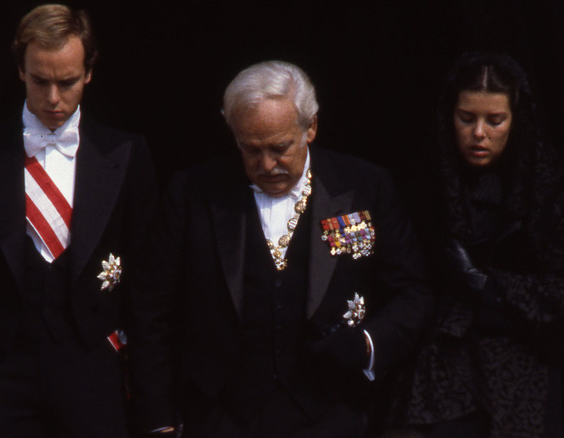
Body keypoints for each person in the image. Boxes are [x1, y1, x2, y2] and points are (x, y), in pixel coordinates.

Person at [0, 5, 173, 437]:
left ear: (89, 72)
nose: (53, 98)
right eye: (40, 81)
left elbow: (147, 296)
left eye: (67, 81)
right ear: (20, 69)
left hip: (92, 372)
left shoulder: (127, 155)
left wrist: (158, 415)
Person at [151, 60, 432, 438]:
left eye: (280, 147)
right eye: (251, 150)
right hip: (220, 416)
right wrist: (159, 422)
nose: (267, 165)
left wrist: (366, 344)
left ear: (310, 127)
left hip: (332, 413)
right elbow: (152, 310)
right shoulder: (192, 193)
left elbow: (413, 293)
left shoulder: (366, 186)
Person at [387, 53, 564, 438]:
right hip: (442, 371)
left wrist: (487, 287)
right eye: (466, 119)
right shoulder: (426, 186)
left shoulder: (553, 191)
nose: (478, 133)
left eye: (494, 121)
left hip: (521, 374)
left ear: (516, 121)